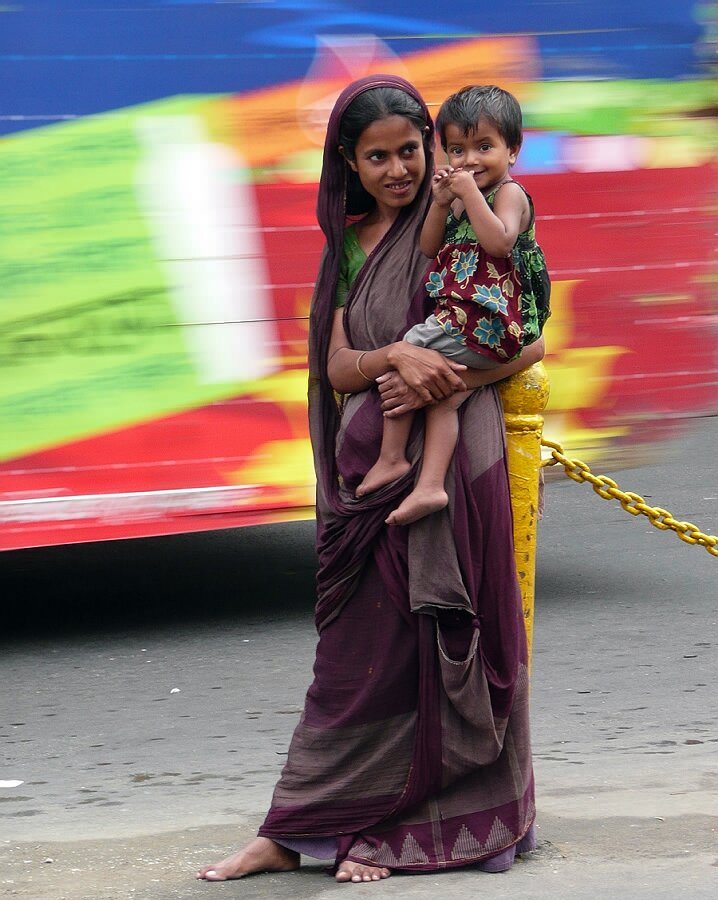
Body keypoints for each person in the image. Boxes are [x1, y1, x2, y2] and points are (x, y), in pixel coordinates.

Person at [196, 74, 543, 886]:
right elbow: (341, 369)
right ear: (348, 165)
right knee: (353, 664)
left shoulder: (485, 219)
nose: (397, 169)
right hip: (369, 480)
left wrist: (451, 379)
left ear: (435, 147)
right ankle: (292, 828)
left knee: (448, 647)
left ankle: (415, 831)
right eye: (376, 157)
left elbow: (526, 341)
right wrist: (398, 356)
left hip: (458, 470)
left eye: (410, 151)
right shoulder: (352, 246)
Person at [356, 84, 550, 526]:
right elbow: (428, 248)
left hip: (494, 322)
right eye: (457, 150)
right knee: (443, 401)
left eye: (485, 147)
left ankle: (392, 457)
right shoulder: (462, 199)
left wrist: (469, 195)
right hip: (468, 320)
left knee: (408, 351)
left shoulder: (509, 194)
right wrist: (442, 204)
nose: (470, 160)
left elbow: (500, 243)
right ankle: (430, 486)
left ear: (513, 151)